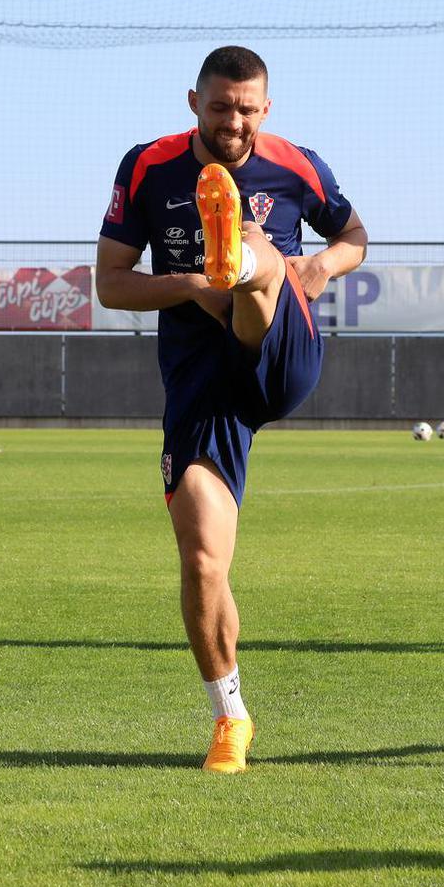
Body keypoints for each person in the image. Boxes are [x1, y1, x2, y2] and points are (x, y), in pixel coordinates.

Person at [95, 46, 367, 773]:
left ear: (266, 109)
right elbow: (111, 285)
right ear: (193, 102)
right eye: (221, 107)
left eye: (247, 109)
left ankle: (245, 260)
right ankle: (230, 718)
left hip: (282, 351)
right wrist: (187, 284)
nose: (234, 121)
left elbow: (353, 236)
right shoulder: (146, 165)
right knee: (202, 558)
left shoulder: (297, 164)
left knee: (262, 256)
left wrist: (317, 265)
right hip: (202, 380)